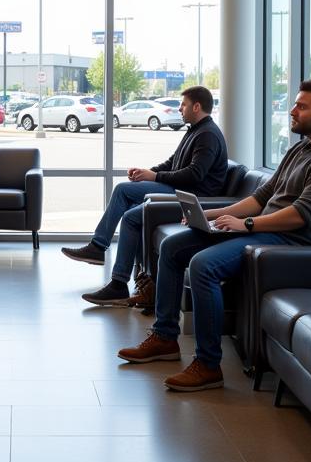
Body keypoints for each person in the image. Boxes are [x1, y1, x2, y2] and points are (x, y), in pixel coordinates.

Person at [118, 80, 311, 392]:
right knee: (173, 246)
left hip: (295, 244)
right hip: (267, 231)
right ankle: (165, 337)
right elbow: (263, 196)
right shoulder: (301, 149)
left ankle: (208, 365)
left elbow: (302, 216)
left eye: (302, 106)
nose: (292, 110)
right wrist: (216, 215)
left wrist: (246, 224)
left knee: (204, 266)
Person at [62, 86, 228, 307]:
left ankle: (109, 268)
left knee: (128, 208)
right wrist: (147, 173)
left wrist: (155, 176)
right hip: (180, 193)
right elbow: (173, 162)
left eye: (184, 104)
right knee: (126, 194)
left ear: (197, 107)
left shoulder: (207, 135)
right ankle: (107, 261)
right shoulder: (196, 130)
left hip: (191, 199)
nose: (179, 108)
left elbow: (195, 175)